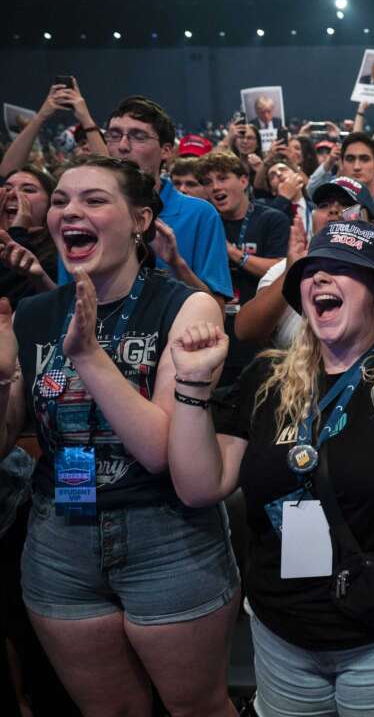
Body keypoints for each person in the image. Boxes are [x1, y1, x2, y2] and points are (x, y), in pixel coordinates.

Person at [166, 220, 374, 717]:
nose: (320, 280)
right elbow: (199, 485)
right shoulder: (267, 377)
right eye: (312, 271)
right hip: (283, 632)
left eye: (343, 270)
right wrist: (191, 385)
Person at [0, 155, 239, 715]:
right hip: (60, 537)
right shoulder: (33, 314)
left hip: (165, 536)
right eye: (60, 201)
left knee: (196, 707)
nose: (70, 211)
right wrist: (2, 376)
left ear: (140, 221)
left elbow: (159, 451)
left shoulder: (185, 306)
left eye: (93, 200)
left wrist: (87, 357)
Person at [235, 177, 374, 350]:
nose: (334, 210)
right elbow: (246, 332)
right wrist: (291, 272)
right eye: (324, 205)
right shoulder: (285, 267)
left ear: (371, 224)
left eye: (347, 204)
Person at [82, 96, 234, 306]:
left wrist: (176, 264)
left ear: (166, 150)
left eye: (138, 136)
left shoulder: (200, 214)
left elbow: (216, 309)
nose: (123, 146)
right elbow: (66, 301)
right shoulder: (83, 215)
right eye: (114, 135)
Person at [194, 152, 289, 387]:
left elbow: (281, 268)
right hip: (214, 332)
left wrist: (234, 254)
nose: (215, 187)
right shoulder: (204, 222)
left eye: (223, 178)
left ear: (244, 180)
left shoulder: (271, 219)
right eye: (207, 182)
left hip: (259, 334)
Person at [307, 133, 374, 250]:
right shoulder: (322, 215)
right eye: (350, 159)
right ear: (341, 164)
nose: (357, 166)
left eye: (364, 159)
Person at [0, 166, 58, 304]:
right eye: (7, 189)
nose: (13, 194)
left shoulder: (58, 255)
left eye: (28, 190)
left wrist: (18, 231)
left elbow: (11, 295)